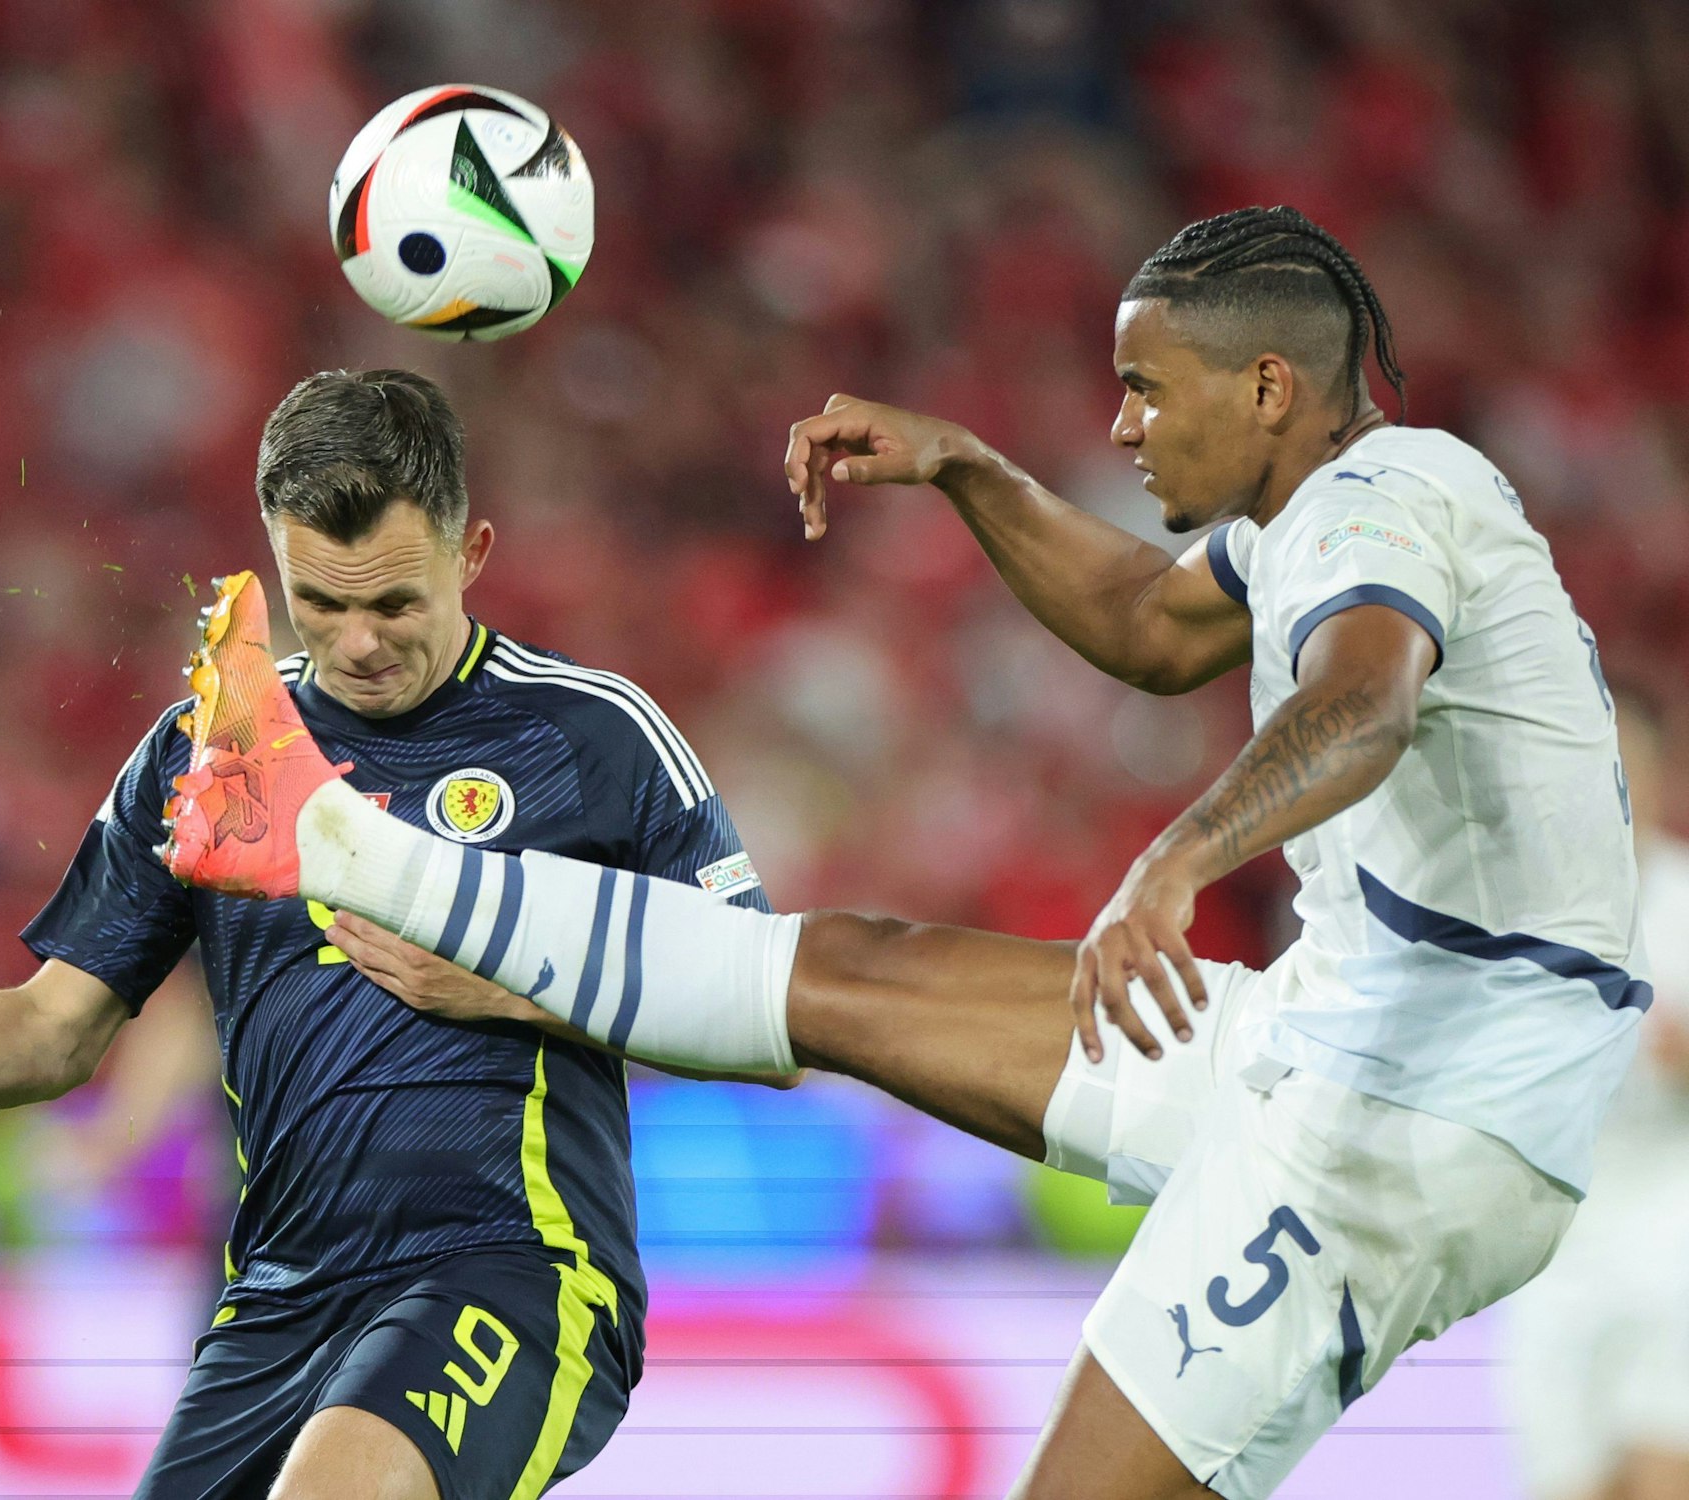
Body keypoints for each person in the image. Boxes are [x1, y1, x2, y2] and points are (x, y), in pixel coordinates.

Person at [156, 207, 1646, 1500]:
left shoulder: (1385, 505)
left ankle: (350, 844)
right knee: (855, 974)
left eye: (1145, 389)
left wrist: (1174, 864)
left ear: (1268, 386)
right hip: (1341, 1039)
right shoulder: (1326, 513)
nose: (1122, 425)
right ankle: (373, 856)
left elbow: (1366, 701)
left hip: (1411, 1123)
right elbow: (1145, 621)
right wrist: (966, 469)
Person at [0, 368, 787, 1500]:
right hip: (279, 1300)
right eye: (320, 602)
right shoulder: (211, 752)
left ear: (473, 553)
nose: (359, 642)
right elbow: (52, 1028)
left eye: (396, 603)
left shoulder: (590, 736)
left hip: (515, 1270)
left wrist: (509, 984)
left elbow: (767, 1015)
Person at [1503, 686, 1689, 1500]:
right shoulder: (1514, 923)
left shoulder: (1685, 907)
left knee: (1660, 1476)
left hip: (1672, 1245)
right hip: (1556, 1257)